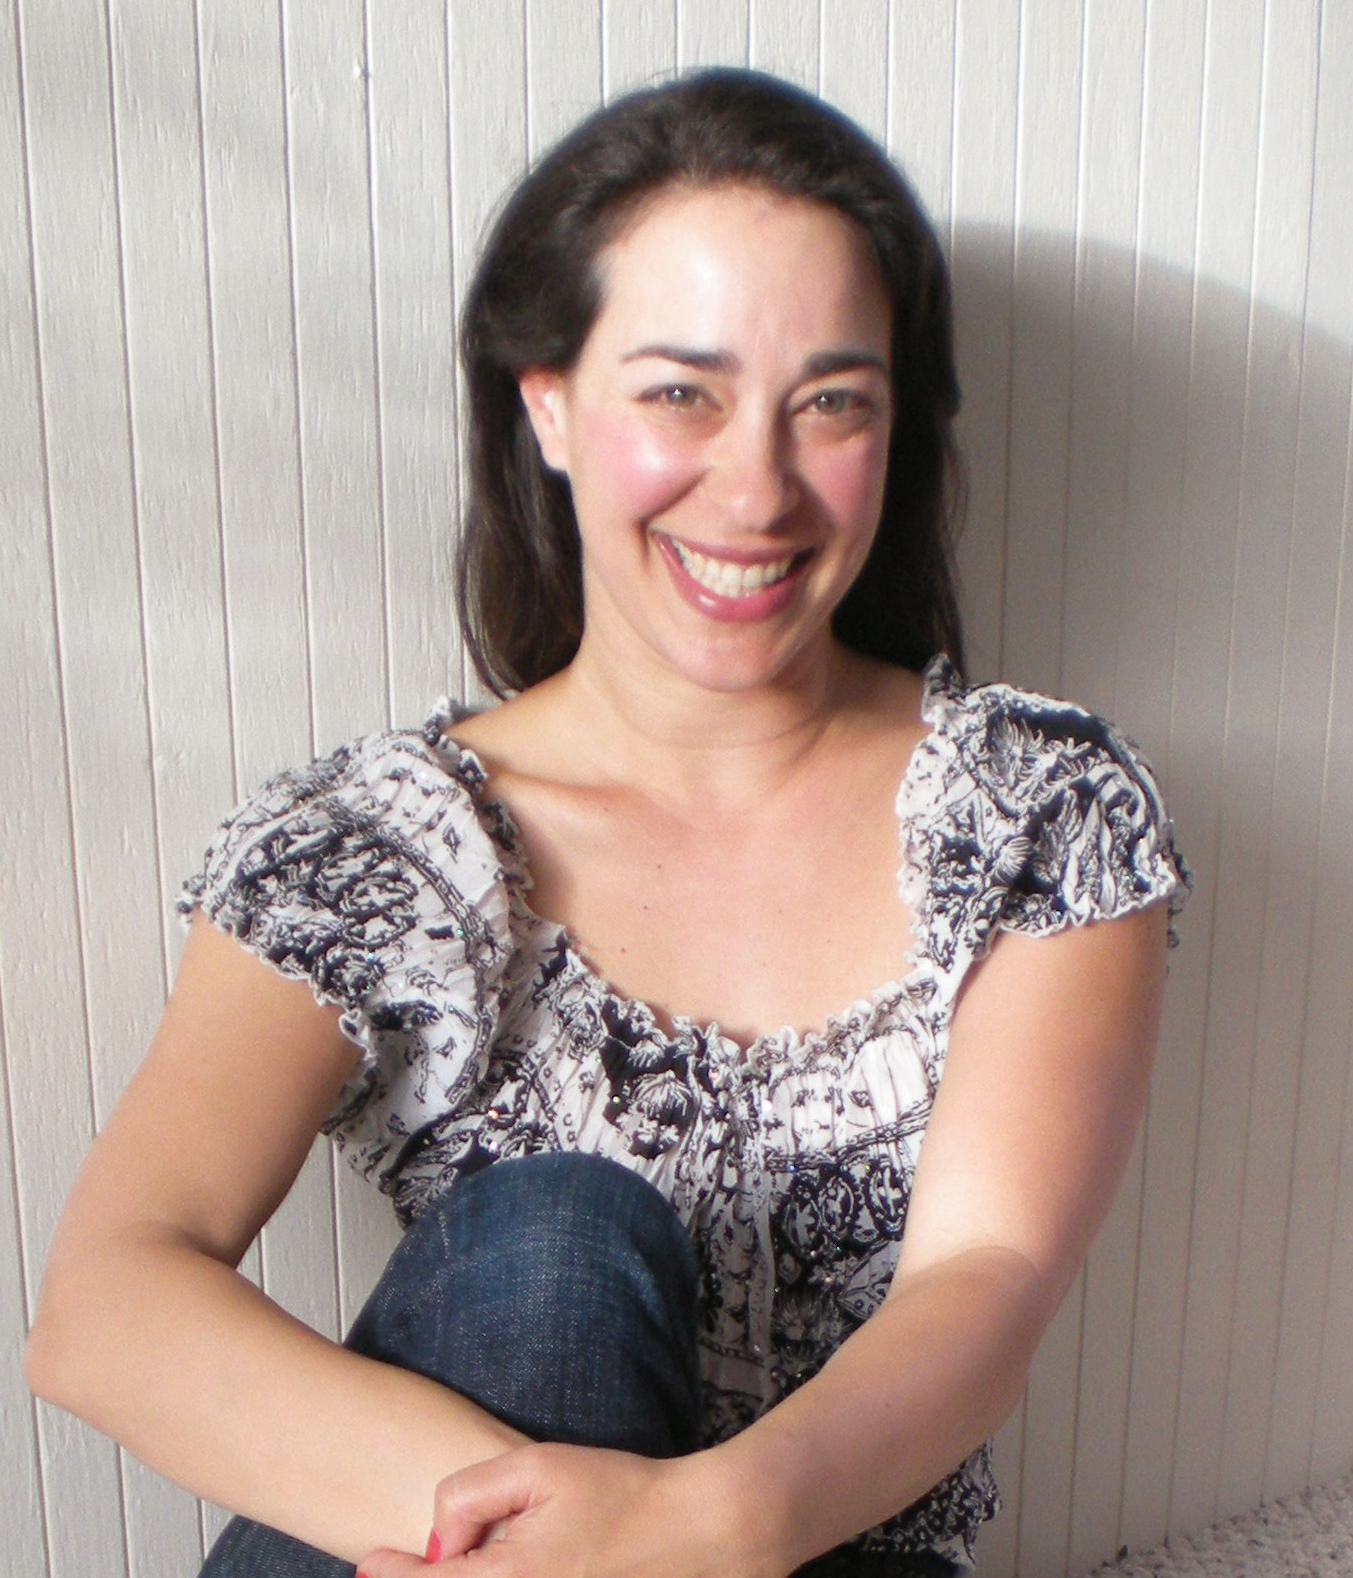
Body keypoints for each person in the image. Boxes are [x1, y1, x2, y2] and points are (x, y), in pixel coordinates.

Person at [26, 67, 1189, 1578]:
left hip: (813, 1549)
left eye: (831, 402)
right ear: (549, 405)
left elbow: (988, 1273)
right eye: (680, 393)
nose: (756, 487)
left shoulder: (1038, 811)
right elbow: (106, 1307)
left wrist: (692, 1529)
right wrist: (546, 1542)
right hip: (444, 1529)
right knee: (555, 1246)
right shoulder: (380, 848)